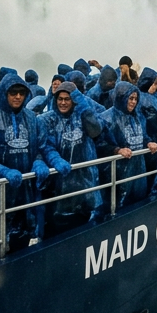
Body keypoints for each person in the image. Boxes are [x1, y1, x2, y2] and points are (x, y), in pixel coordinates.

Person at [0, 73, 60, 251]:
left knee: (22, 241)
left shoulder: (32, 119)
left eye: (21, 93)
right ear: (4, 93)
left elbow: (42, 147)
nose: (18, 96)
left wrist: (39, 162)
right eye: (13, 92)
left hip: (25, 192)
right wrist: (1, 170)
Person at [39, 82, 104, 232]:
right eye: (60, 99)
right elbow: (44, 145)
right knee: (61, 224)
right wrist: (54, 160)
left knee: (85, 225)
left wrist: (83, 106)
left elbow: (95, 131)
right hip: (59, 182)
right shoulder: (47, 119)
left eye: (67, 99)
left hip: (84, 181)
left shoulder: (82, 117)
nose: (63, 102)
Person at [101, 82, 157, 206]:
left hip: (138, 168)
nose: (133, 102)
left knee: (139, 201)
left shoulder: (137, 116)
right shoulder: (107, 118)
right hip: (117, 173)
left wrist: (148, 142)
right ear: (121, 97)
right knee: (118, 205)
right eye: (130, 98)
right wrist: (117, 150)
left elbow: (142, 135)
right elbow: (100, 144)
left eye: (135, 99)